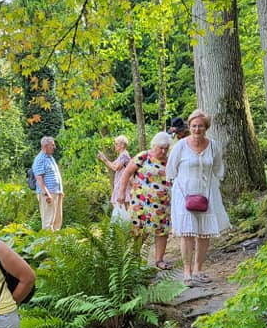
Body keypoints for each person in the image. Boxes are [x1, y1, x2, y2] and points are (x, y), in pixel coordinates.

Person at [166, 109, 230, 286]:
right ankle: (186, 272)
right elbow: (171, 170)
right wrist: (179, 188)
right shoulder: (180, 146)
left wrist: (212, 183)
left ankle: (198, 270)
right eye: (194, 126)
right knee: (187, 233)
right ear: (189, 126)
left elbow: (218, 169)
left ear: (206, 127)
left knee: (203, 234)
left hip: (207, 194)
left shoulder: (213, 146)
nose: (197, 129)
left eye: (200, 126)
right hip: (184, 194)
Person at [118, 132, 174, 269]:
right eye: (161, 148)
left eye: (166, 148)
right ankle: (134, 257)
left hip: (162, 202)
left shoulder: (170, 160)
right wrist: (121, 193)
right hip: (140, 201)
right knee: (138, 229)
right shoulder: (144, 156)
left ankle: (159, 260)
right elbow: (126, 174)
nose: (164, 151)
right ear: (154, 146)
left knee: (161, 230)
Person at [31, 136, 64, 230]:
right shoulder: (40, 159)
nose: (54, 147)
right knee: (48, 221)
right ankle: (48, 243)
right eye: (52, 145)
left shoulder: (50, 158)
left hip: (56, 192)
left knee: (57, 220)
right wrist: (47, 194)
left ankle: (56, 242)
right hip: (48, 194)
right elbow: (39, 178)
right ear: (45, 146)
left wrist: (60, 191)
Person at [97, 136, 132, 220]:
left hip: (123, 184)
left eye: (116, 144)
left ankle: (125, 223)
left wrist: (105, 159)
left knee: (123, 204)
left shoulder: (124, 155)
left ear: (122, 145)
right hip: (119, 183)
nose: (115, 146)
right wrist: (103, 159)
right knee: (119, 204)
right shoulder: (121, 155)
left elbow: (115, 167)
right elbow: (112, 165)